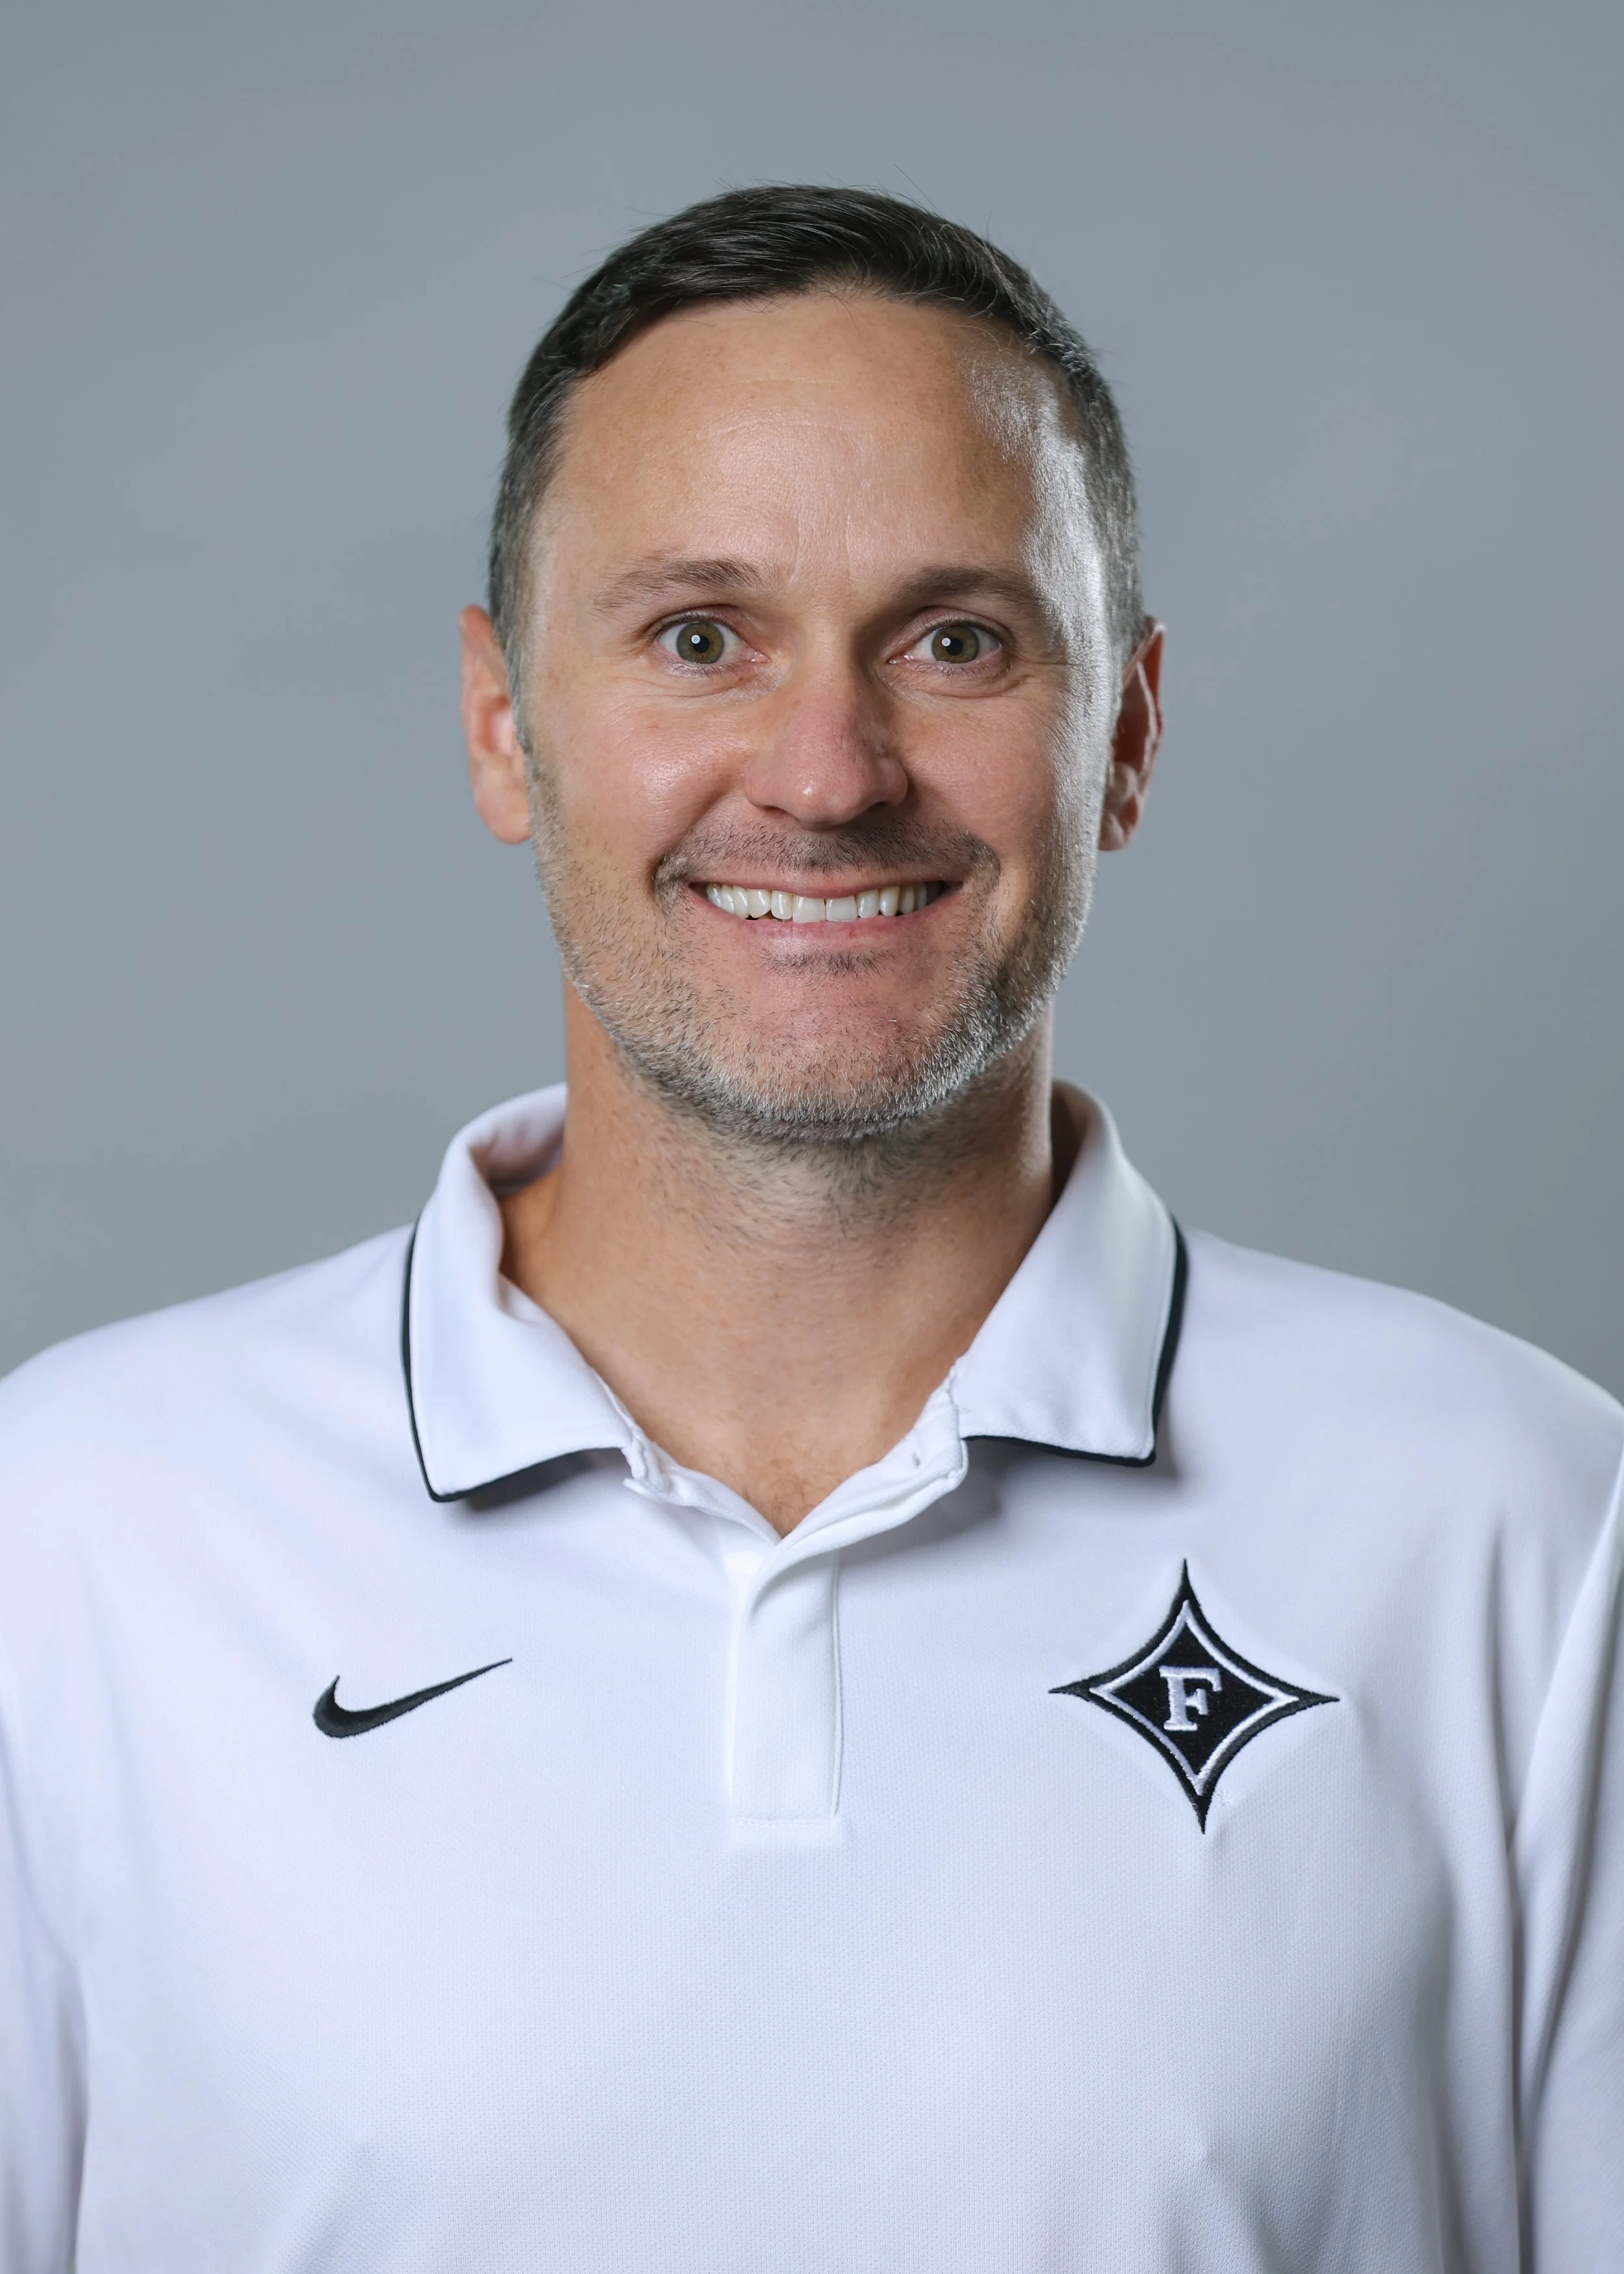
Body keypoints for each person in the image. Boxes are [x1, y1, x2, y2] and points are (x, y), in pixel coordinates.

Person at [0, 186, 1618, 2273]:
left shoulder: (1525, 1529)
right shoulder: (71, 1536)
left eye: (954, 641)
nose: (828, 773)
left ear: (1122, 734)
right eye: (700, 637)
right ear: (503, 724)